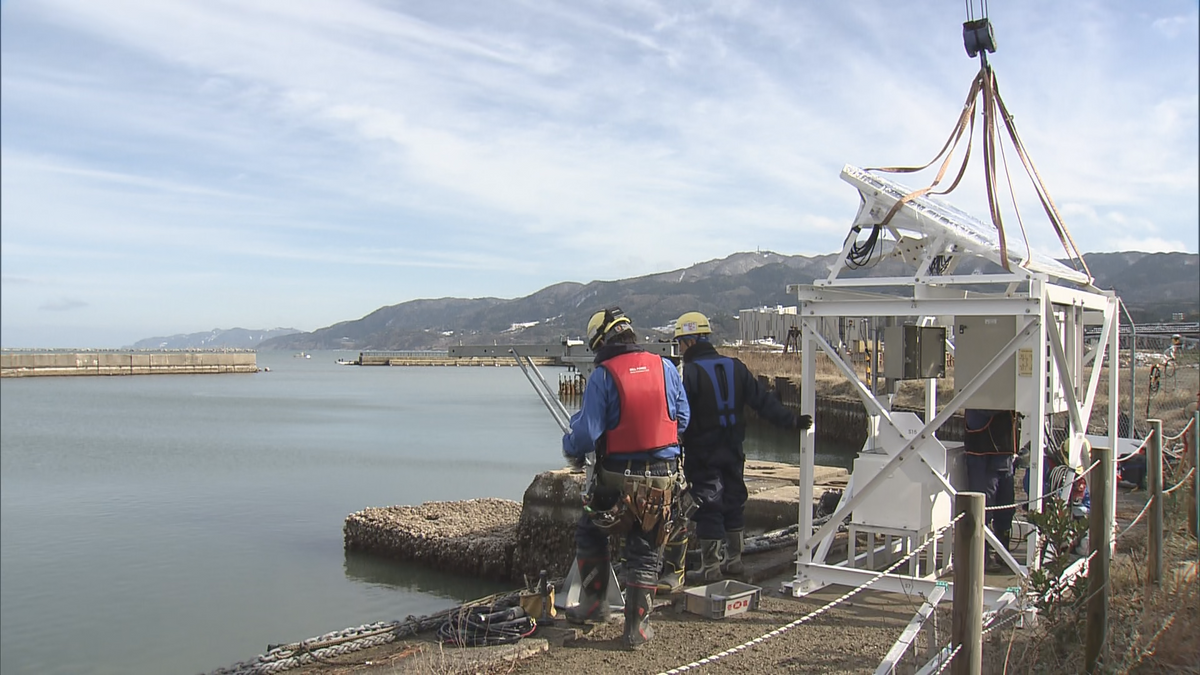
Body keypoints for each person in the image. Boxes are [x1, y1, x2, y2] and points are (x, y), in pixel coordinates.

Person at [561, 307, 689, 650]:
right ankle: (637, 629)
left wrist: (568, 445)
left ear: (600, 342)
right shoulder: (666, 367)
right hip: (661, 481)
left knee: (590, 530)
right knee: (645, 548)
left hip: (616, 478)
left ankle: (594, 604)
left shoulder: (603, 375)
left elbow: (587, 436)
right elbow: (683, 420)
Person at [670, 311, 811, 584]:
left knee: (707, 502)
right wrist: (792, 421)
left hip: (703, 453)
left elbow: (680, 415)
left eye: (680, 343)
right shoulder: (736, 367)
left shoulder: (690, 373)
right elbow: (763, 402)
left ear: (689, 341)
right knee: (734, 499)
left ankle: (710, 566)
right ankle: (734, 560)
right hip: (733, 449)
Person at [963, 409, 1018, 572]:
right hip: (982, 456)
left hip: (1004, 456)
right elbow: (984, 411)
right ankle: (983, 557)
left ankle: (1003, 553)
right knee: (983, 511)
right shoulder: (978, 394)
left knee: (1006, 509)